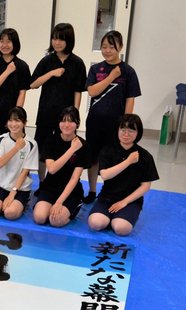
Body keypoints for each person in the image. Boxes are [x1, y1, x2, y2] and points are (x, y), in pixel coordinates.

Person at [84, 30, 141, 203]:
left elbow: (130, 99)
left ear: (120, 47)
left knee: (114, 159)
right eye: (104, 47)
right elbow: (92, 91)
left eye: (111, 47)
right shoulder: (95, 69)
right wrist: (111, 76)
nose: (107, 50)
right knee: (93, 158)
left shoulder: (129, 72)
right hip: (95, 122)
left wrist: (126, 124)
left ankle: (110, 191)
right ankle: (92, 190)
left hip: (116, 125)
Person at [30, 23, 86, 183]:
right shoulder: (47, 61)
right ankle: (42, 182)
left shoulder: (77, 63)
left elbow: (78, 91)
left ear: (69, 40)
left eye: (61, 39)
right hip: (46, 113)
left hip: (66, 117)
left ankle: (61, 182)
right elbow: (33, 84)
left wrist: (75, 114)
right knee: (42, 149)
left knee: (65, 149)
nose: (57, 42)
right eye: (54, 38)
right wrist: (51, 73)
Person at [88, 114, 158, 236]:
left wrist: (125, 202)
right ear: (117, 130)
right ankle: (109, 217)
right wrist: (128, 161)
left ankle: (119, 218)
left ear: (138, 133)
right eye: (123, 130)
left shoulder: (145, 156)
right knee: (95, 224)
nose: (126, 134)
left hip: (131, 200)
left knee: (121, 229)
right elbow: (105, 175)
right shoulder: (107, 150)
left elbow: (146, 186)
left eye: (131, 131)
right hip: (107, 197)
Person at [33, 106, 89, 227]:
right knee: (39, 218)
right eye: (63, 121)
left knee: (55, 220)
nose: (66, 125)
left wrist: (59, 202)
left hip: (70, 191)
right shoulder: (51, 140)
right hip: (50, 187)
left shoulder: (83, 145)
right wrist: (72, 149)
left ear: (77, 124)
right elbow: (52, 169)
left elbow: (74, 178)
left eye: (71, 121)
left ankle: (74, 207)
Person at [0, 107, 38, 220]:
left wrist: (12, 193)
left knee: (10, 213)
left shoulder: (32, 144)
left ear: (24, 123)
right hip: (0, 185)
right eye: (10, 120)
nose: (13, 124)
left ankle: (23, 201)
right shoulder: (0, 139)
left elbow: (25, 172)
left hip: (20, 188)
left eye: (17, 120)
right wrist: (16, 148)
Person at [0, 28, 31, 148]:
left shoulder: (22, 66)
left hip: (13, 117)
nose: (4, 45)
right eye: (1, 41)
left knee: (15, 147)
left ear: (15, 43)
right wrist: (7, 71)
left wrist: (17, 115)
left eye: (8, 41)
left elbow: (22, 93)